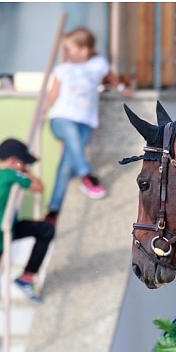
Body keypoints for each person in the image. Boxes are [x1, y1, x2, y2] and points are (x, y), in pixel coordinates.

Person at [43, 27, 116, 224]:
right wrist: (43, 110)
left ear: (84, 50)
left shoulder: (98, 64)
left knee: (66, 165)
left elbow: (113, 79)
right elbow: (53, 93)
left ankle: (53, 210)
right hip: (60, 119)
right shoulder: (63, 69)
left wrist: (124, 88)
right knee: (71, 136)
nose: (65, 54)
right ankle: (86, 175)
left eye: (69, 49)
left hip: (85, 122)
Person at [0, 138, 55, 303]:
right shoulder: (10, 174)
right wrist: (25, 171)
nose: (26, 166)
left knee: (45, 229)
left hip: (4, 232)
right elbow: (38, 187)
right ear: (14, 161)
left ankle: (26, 279)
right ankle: (27, 277)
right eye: (23, 162)